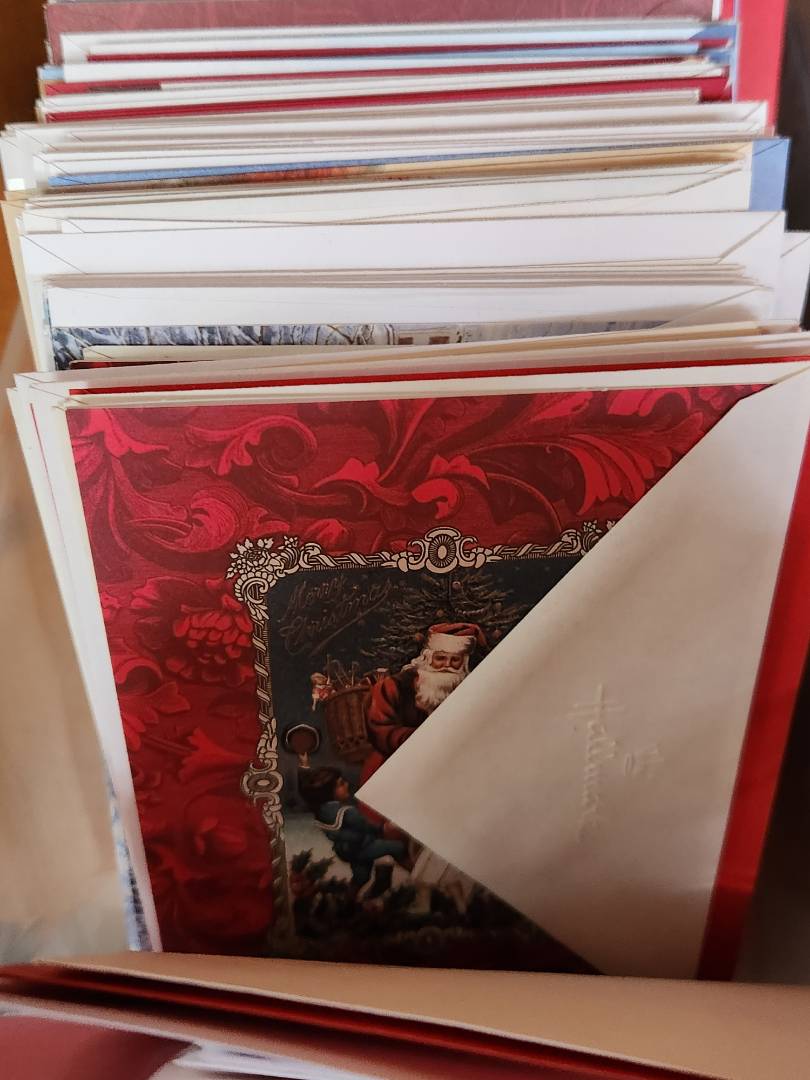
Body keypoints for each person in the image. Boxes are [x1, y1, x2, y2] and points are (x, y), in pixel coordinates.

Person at [298, 767, 412, 899]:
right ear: (329, 791)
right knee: (397, 847)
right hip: (360, 847)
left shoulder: (323, 811)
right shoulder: (348, 812)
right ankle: (417, 874)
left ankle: (349, 901)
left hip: (345, 850)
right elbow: (366, 827)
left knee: (361, 876)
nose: (346, 785)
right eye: (341, 784)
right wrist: (383, 828)